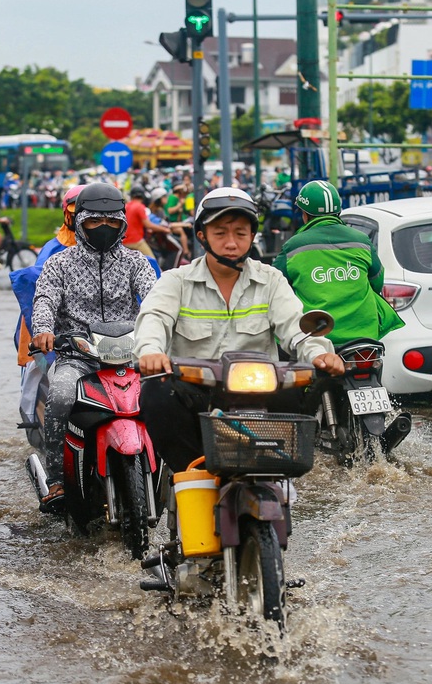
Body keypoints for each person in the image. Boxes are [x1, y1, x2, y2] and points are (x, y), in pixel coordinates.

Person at [134, 186, 345, 473]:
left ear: (252, 237)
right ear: (202, 236)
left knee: (305, 388)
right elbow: (154, 318)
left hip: (260, 392)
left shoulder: (271, 280)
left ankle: (276, 478)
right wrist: (151, 352)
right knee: (155, 393)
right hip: (196, 391)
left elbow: (296, 327)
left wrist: (320, 354)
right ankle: (191, 475)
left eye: (240, 233)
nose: (231, 243)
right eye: (220, 233)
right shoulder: (176, 281)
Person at [29, 182, 158, 509]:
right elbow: (45, 299)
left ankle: (170, 474)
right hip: (78, 356)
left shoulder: (136, 263)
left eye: (112, 222)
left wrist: (163, 331)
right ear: (80, 222)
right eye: (94, 222)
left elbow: (156, 301)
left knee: (167, 394)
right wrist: (43, 329)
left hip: (129, 357)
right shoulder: (59, 264)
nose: (104, 229)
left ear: (123, 224)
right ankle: (58, 480)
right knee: (59, 394)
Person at [273, 179, 404, 348]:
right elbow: (377, 281)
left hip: (315, 337)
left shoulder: (293, 246)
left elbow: (276, 287)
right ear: (338, 211)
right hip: (365, 334)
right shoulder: (361, 240)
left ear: (305, 214)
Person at [10, 184, 83, 445]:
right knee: (42, 373)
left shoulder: (123, 254)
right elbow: (36, 289)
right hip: (55, 330)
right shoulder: (53, 251)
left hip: (102, 334)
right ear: (68, 215)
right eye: (79, 214)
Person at [123, 186, 169, 259]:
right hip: (136, 241)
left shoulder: (125, 206)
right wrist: (164, 229)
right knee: (152, 262)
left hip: (124, 242)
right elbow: (148, 225)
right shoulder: (140, 207)